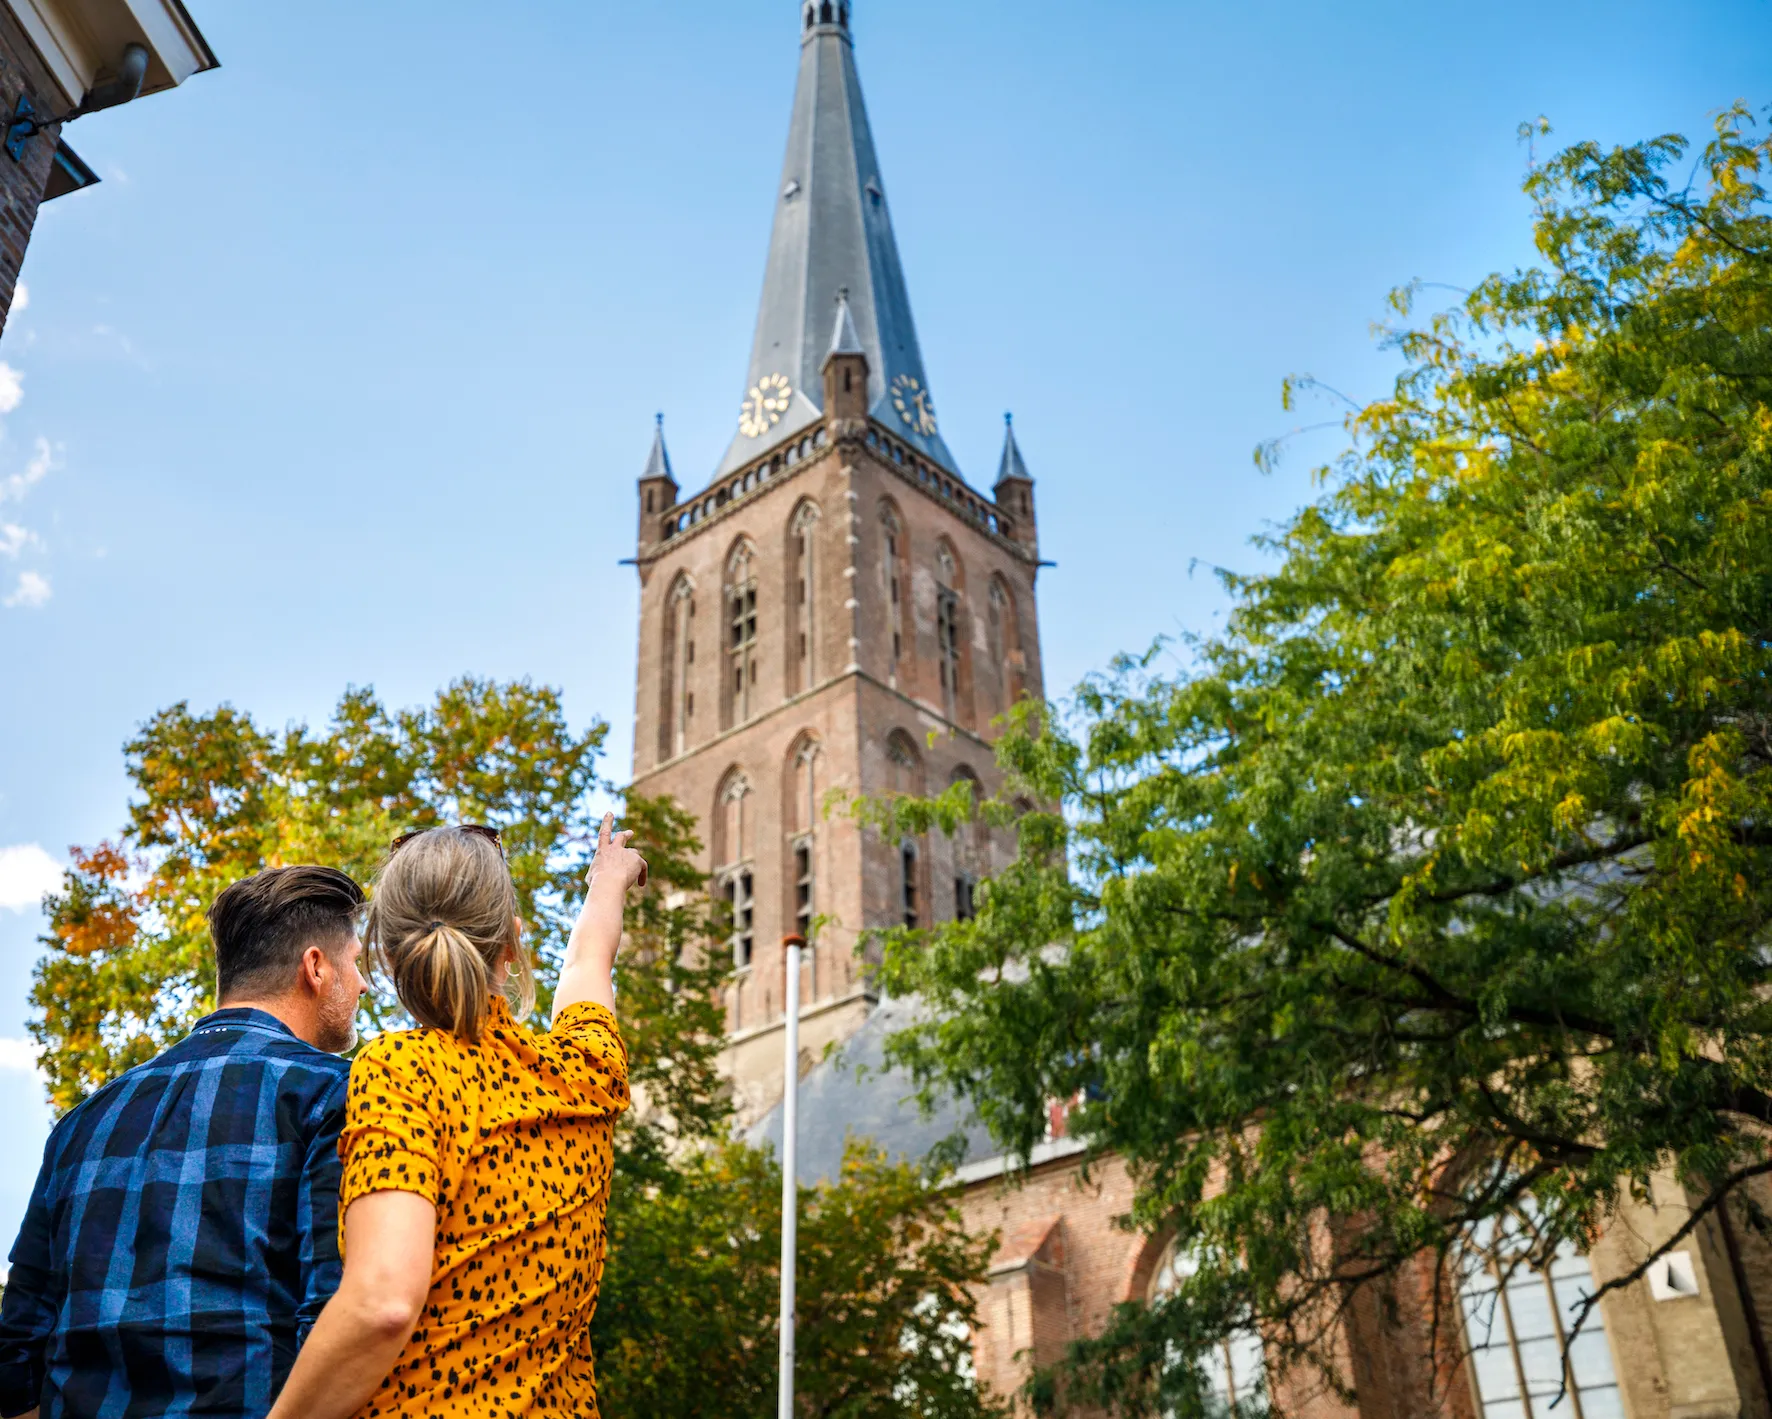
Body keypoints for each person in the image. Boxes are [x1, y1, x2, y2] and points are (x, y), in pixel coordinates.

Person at [267, 813, 646, 1419]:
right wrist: (608, 879)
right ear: (512, 944)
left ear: (388, 956)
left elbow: (383, 1303)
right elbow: (587, 964)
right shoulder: (587, 1069)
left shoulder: (402, 1071)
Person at [0, 865, 369, 1419]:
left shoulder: (81, 1122)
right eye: (357, 963)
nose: (363, 985)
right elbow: (337, 1321)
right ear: (315, 967)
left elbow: (16, 1362)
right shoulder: (334, 1093)